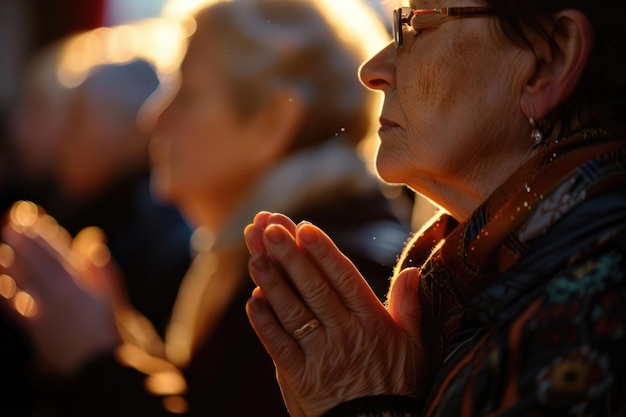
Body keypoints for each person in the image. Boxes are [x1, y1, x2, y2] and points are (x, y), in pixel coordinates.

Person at [0, 1, 411, 416]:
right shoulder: (260, 257)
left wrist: (95, 363)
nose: (152, 119)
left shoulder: (322, 278)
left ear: (273, 120)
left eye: (187, 92)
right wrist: (131, 354)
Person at [243, 0, 626, 416]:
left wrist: (364, 405)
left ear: (548, 60)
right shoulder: (476, 279)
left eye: (418, 25)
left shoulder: (601, 308)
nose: (372, 70)